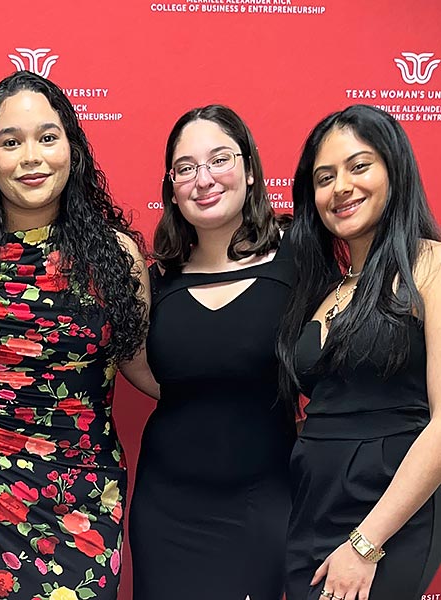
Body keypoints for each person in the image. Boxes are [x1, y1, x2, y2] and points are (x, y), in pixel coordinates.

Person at [0, 70, 151, 600]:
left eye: (47, 137)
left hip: (85, 498)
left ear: (73, 147)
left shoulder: (117, 258)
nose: (31, 157)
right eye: (10, 141)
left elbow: (139, 368)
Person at [128, 105, 296, 600]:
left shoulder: (300, 257)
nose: (203, 180)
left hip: (260, 502)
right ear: (171, 188)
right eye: (186, 168)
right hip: (166, 508)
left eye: (219, 159)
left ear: (249, 169)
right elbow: (138, 362)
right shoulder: (158, 278)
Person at [278, 104, 441, 600]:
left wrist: (366, 545)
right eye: (324, 177)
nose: (340, 187)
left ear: (395, 169)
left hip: (385, 518)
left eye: (359, 166)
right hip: (311, 509)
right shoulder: (324, 289)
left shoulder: (429, 265)